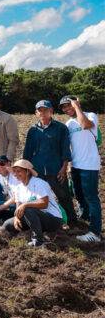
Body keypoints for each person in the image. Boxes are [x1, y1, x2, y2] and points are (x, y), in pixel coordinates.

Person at [22, 100, 74, 224]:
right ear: (36, 113)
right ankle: (46, 221)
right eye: (40, 110)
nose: (43, 113)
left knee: (63, 196)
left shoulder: (61, 128)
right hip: (37, 171)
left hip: (55, 169)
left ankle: (72, 222)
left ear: (51, 111)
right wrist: (27, 170)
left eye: (46, 110)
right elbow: (27, 152)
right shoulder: (33, 130)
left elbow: (65, 150)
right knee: (39, 197)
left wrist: (64, 168)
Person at [59, 95, 101, 242]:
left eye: (68, 105)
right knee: (79, 196)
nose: (66, 109)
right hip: (76, 165)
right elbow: (71, 146)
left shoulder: (90, 116)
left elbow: (84, 125)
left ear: (75, 103)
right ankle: (85, 221)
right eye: (64, 107)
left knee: (91, 197)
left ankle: (95, 233)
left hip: (89, 165)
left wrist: (77, 106)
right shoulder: (69, 123)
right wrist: (69, 165)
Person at [0, 159, 64, 247]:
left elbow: (44, 204)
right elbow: (18, 207)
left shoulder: (39, 183)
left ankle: (38, 241)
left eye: (19, 171)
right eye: (14, 172)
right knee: (8, 224)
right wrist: (17, 217)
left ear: (27, 172)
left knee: (27, 209)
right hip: (33, 219)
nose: (16, 174)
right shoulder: (19, 188)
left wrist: (26, 204)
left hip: (52, 219)